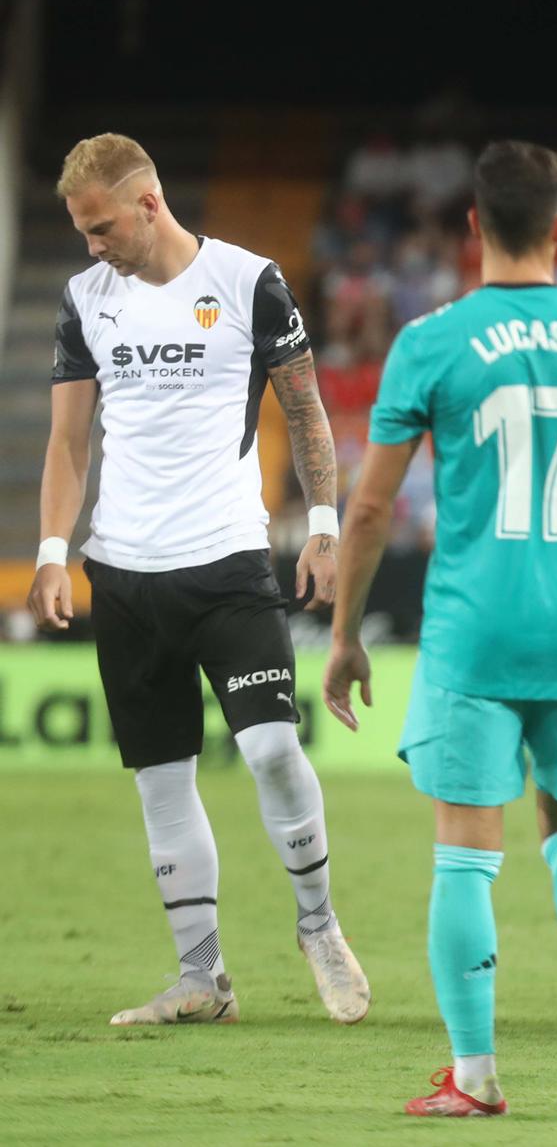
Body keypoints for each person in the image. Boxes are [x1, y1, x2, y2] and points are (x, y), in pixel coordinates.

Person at [322, 141, 557, 1116]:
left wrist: (345, 633)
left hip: (471, 629)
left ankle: (477, 1073)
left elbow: (367, 512)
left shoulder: (431, 340)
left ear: (472, 229)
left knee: (463, 851)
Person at [29, 133, 369, 1029]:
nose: (92, 245)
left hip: (225, 563)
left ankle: (319, 924)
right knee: (161, 780)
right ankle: (201, 977)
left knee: (269, 750)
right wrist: (55, 550)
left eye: (102, 227)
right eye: (80, 232)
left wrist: (324, 527)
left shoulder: (247, 280)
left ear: (149, 203)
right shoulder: (83, 298)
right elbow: (67, 443)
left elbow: (305, 411)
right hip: (125, 573)